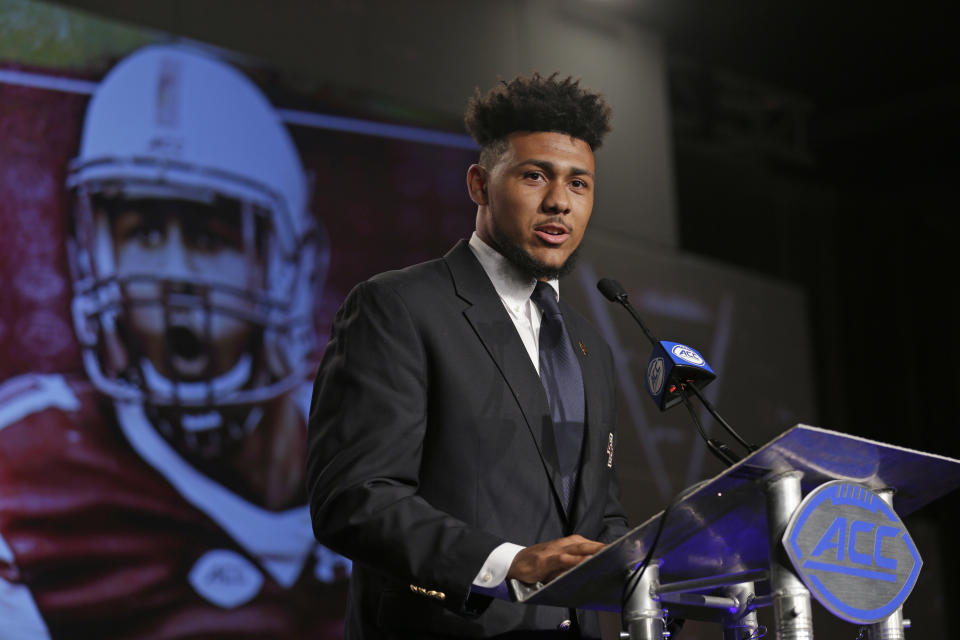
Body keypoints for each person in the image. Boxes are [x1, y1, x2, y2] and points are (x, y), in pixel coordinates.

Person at [0, 45, 349, 638]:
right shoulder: (27, 470)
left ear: (296, 266)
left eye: (211, 235)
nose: (175, 275)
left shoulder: (371, 441)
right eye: (144, 231)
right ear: (92, 251)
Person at [307, 73, 629, 639]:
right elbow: (356, 499)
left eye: (579, 184)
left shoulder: (589, 346)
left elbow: (598, 516)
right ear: (480, 185)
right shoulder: (398, 307)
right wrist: (512, 565)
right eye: (535, 176)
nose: (559, 201)